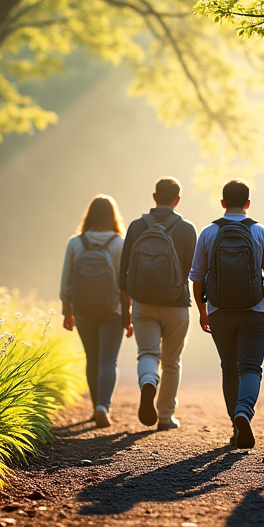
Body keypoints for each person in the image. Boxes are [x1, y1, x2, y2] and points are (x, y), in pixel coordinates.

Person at [190, 179, 264, 449]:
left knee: (229, 369)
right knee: (251, 368)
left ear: (222, 203)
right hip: (255, 311)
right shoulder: (260, 232)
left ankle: (235, 425)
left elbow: (196, 277)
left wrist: (202, 310)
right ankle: (245, 412)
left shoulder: (208, 233)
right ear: (248, 203)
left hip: (219, 311)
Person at [119, 177, 198, 430]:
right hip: (176, 303)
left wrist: (126, 310)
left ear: (154, 197)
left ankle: (148, 383)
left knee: (148, 354)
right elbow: (194, 271)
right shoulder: (187, 229)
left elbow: (123, 274)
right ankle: (165, 416)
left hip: (142, 302)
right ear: (177, 200)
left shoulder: (135, 227)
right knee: (172, 361)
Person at [60, 195, 132, 428]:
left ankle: (94, 408)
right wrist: (127, 315)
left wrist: (67, 311)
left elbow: (65, 283)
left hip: (83, 308)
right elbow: (125, 284)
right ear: (113, 216)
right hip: (113, 309)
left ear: (88, 215)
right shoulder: (119, 243)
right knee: (108, 359)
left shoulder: (75, 243)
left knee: (92, 357)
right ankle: (103, 406)